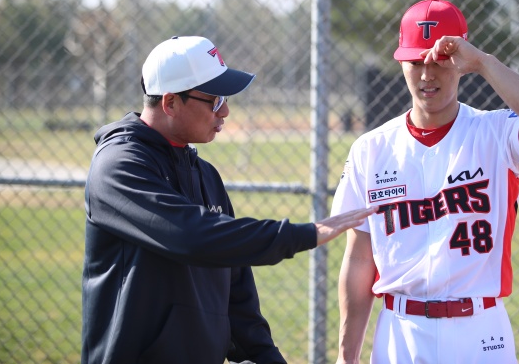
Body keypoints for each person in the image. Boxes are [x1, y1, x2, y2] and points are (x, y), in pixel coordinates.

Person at [81, 35, 375, 364]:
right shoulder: (118, 166)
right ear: (170, 103)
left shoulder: (205, 176)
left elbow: (237, 297)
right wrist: (300, 233)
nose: (226, 111)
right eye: (215, 99)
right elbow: (192, 235)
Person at [331, 0, 519, 363]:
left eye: (440, 61)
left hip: (479, 328)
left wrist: (485, 63)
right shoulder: (371, 148)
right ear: (401, 63)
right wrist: (346, 357)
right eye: (415, 62)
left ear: (461, 62)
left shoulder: (495, 132)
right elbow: (360, 258)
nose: (427, 74)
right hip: (400, 330)